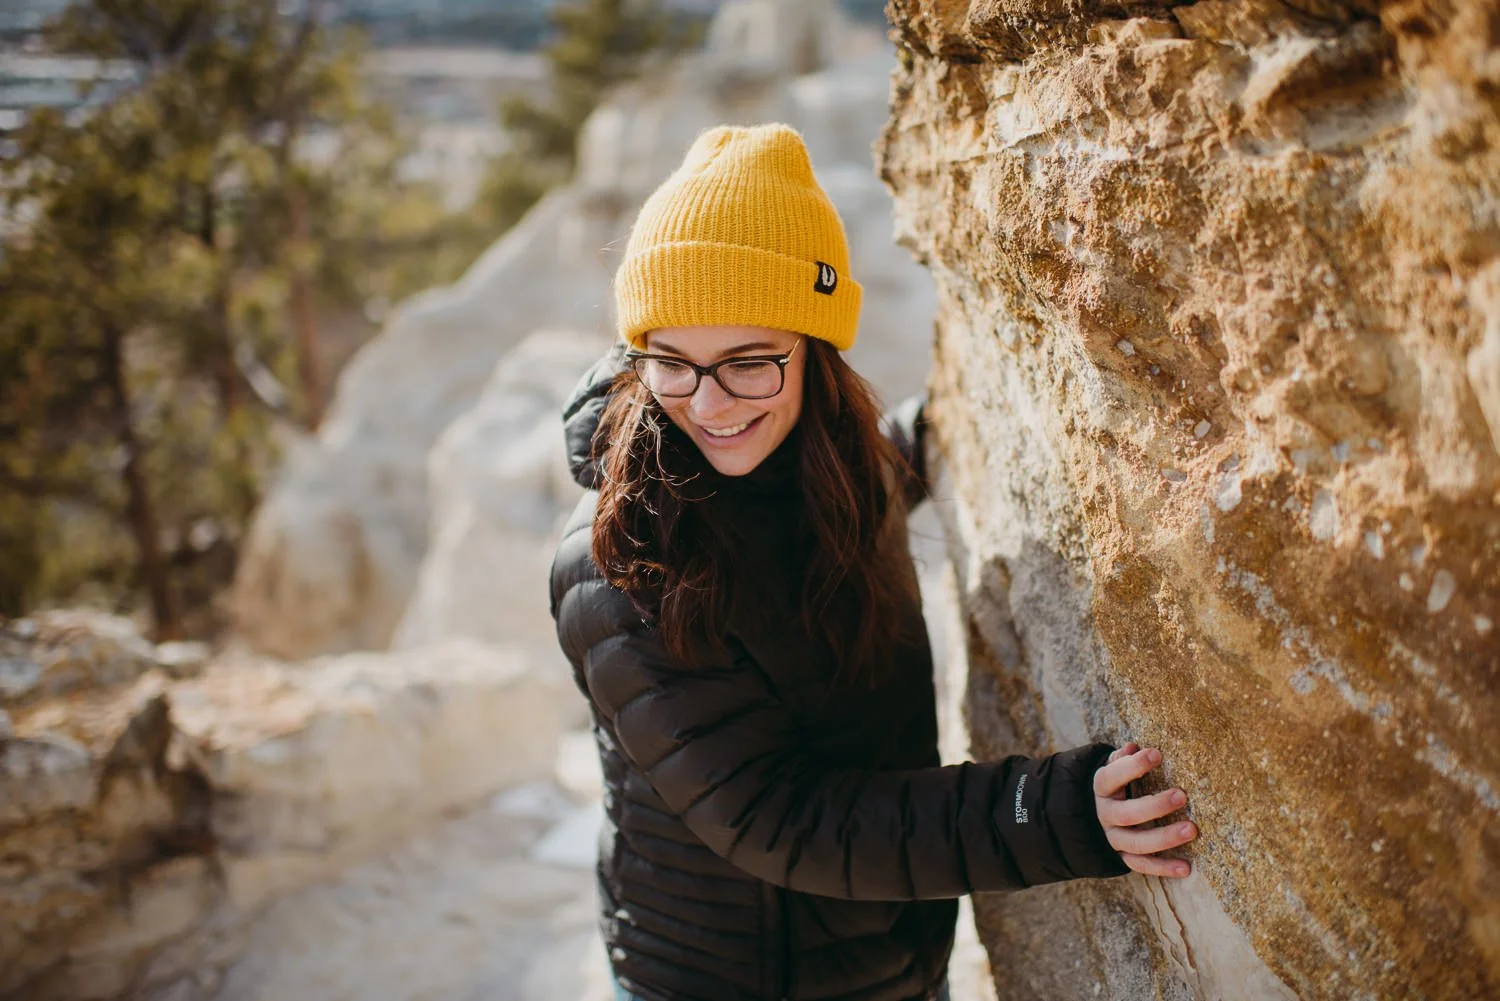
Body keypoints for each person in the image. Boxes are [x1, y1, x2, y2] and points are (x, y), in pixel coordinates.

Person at [548, 123, 1198, 1001]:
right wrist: (1055, 813)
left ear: (818, 351)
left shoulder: (842, 465)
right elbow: (786, 820)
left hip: (890, 954)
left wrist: (956, 415)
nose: (708, 403)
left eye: (749, 363)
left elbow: (875, 473)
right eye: (672, 362)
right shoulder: (619, 568)